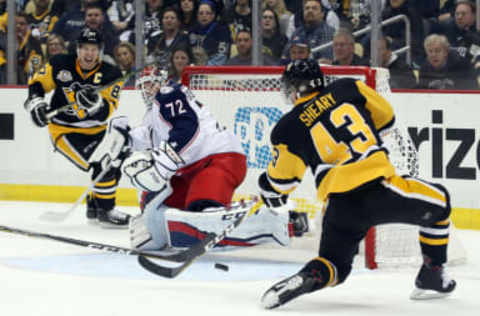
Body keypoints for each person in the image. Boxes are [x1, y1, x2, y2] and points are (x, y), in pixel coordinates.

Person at [258, 59, 456, 309]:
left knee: (335, 265)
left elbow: (282, 182)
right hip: (380, 189)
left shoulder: (286, 127)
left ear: (295, 89)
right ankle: (432, 275)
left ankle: (311, 275)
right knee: (441, 202)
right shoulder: (348, 88)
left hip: (339, 206)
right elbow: (387, 118)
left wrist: (266, 186)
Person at [113, 66, 309, 251]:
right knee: (160, 213)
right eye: (144, 86)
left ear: (163, 81)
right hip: (191, 171)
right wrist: (124, 138)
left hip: (218, 159)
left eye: (151, 83)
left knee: (204, 219)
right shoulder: (153, 114)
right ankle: (228, 214)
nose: (148, 89)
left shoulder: (169, 95)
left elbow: (188, 130)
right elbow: (148, 136)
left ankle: (283, 222)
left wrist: (163, 162)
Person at [23, 28, 130, 228]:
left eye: (94, 49)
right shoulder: (60, 63)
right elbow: (36, 84)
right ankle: (107, 211)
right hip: (65, 131)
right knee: (103, 164)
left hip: (98, 130)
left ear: (100, 50)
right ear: (78, 49)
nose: (89, 54)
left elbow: (107, 110)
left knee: (119, 155)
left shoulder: (111, 73)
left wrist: (95, 105)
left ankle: (96, 203)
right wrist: (36, 103)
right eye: (84, 49)